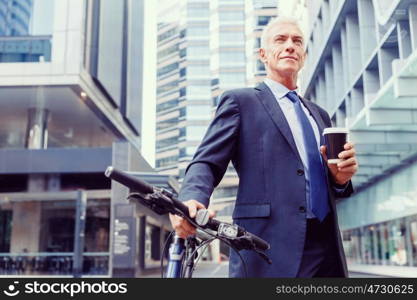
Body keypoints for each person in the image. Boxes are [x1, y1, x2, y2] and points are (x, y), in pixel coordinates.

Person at [169, 16, 358, 277]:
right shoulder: (240, 102)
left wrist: (339, 180)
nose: (290, 46)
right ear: (263, 54)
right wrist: (191, 199)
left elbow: (324, 183)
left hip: (326, 250)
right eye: (280, 40)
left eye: (297, 41)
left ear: (303, 55)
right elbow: (207, 162)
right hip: (267, 249)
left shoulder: (320, 115)